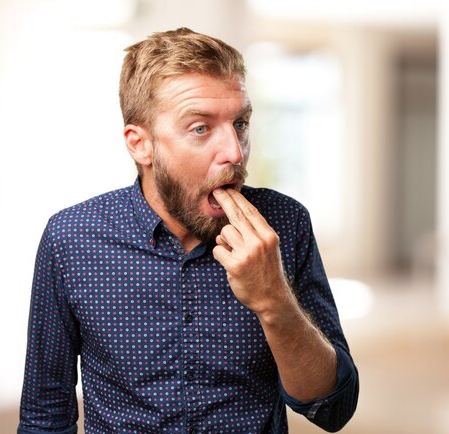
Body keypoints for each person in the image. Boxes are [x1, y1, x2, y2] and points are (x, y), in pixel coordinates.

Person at [18, 27, 359, 434]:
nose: (234, 152)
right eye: (200, 128)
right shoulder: (71, 239)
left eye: (241, 123)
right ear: (140, 144)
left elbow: (332, 409)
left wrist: (274, 301)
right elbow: (45, 416)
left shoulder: (285, 224)